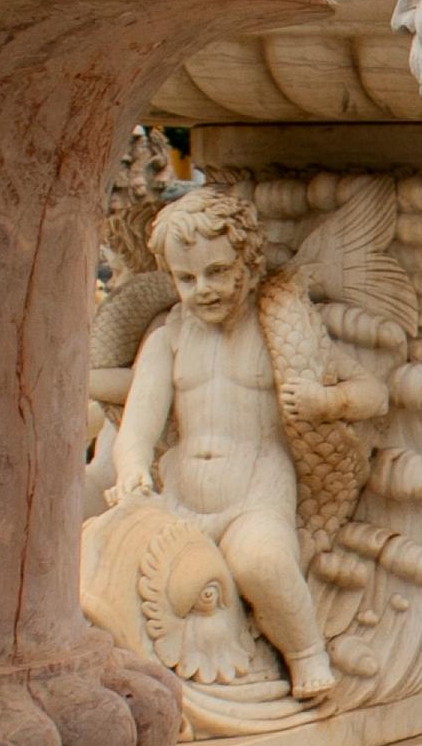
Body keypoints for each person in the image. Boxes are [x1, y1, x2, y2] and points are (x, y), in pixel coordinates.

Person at [112, 188, 342, 701]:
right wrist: (131, 470)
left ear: (249, 262)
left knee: (261, 563)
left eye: (217, 272)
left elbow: (366, 390)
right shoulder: (167, 337)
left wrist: (329, 403)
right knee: (121, 569)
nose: (203, 289)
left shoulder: (278, 331)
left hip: (254, 494)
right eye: (186, 278)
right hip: (181, 497)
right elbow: (138, 426)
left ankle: (306, 651)